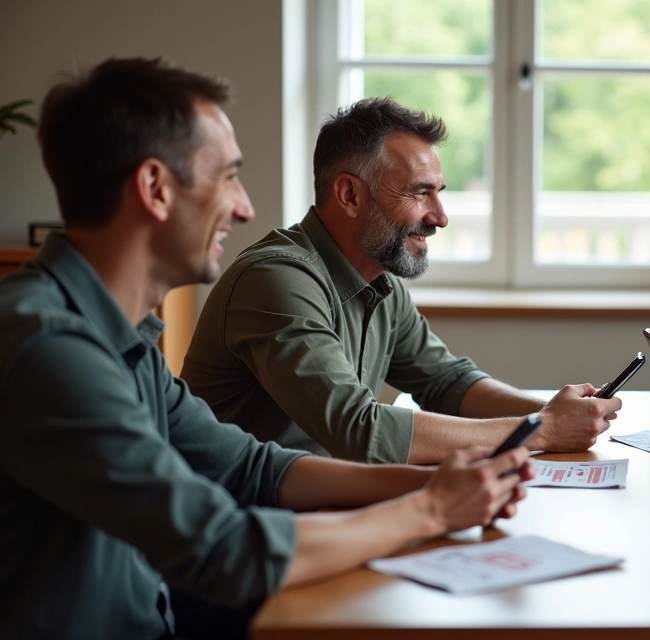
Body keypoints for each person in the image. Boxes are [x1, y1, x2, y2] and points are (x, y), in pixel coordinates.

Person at [0, 57, 533, 640]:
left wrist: (435, 485)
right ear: (154, 188)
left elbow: (250, 467)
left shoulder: (117, 339)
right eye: (227, 176)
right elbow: (223, 547)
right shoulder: (52, 348)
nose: (244, 207)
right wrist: (429, 510)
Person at [180, 97, 621, 464]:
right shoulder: (276, 280)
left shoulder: (378, 280)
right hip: (246, 533)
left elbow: (446, 383)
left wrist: (555, 414)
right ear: (350, 195)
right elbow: (359, 430)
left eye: (438, 193)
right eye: (418, 192)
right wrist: (541, 431)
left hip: (324, 511)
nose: (440, 218)